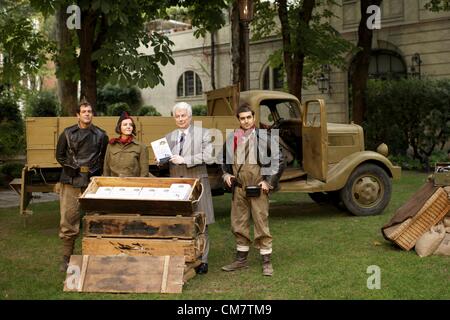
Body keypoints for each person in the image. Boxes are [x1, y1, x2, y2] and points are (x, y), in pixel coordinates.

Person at [221, 104, 284, 276]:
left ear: (253, 118)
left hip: (258, 189)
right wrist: (226, 175)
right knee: (238, 224)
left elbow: (279, 159)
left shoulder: (264, 137)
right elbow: (223, 160)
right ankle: (241, 260)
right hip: (239, 189)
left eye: (249, 117)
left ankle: (267, 262)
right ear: (239, 120)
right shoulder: (233, 137)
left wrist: (268, 182)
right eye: (242, 118)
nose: (246, 121)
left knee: (261, 225)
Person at [55, 99, 108, 272]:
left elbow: (104, 158)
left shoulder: (101, 135)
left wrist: (96, 173)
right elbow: (60, 155)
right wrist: (71, 169)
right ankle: (66, 257)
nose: (87, 114)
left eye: (90, 111)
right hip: (71, 180)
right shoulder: (67, 133)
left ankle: (96, 253)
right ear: (77, 114)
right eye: (84, 111)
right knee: (69, 218)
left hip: (92, 181)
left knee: (95, 217)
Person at [163, 102, 215, 274]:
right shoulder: (169, 136)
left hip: (198, 185)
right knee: (180, 222)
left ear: (190, 116)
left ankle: (203, 260)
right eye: (177, 116)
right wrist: (161, 160)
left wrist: (185, 159)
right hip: (177, 187)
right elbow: (165, 162)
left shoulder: (204, 133)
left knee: (202, 223)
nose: (180, 119)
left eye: (183, 115)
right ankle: (183, 256)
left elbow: (209, 157)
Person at [103, 112, 150, 177]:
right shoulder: (111, 145)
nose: (128, 127)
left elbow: (144, 173)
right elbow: (106, 168)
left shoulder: (141, 147)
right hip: (114, 183)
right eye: (125, 124)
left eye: (130, 125)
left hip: (132, 184)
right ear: (119, 127)